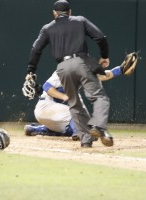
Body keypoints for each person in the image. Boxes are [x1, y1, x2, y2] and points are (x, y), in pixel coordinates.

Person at [25, 0, 113, 147]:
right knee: (99, 97)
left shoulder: (47, 28)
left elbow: (36, 49)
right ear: (70, 12)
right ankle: (97, 126)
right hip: (81, 61)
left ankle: (86, 141)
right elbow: (100, 37)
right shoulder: (80, 20)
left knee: (74, 104)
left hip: (62, 67)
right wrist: (104, 55)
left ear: (54, 13)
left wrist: (30, 70)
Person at [24, 65, 125, 142]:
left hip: (54, 116)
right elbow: (47, 87)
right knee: (78, 116)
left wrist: (120, 70)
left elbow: (103, 75)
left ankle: (35, 129)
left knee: (76, 126)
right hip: (45, 107)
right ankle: (81, 134)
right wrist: (64, 97)